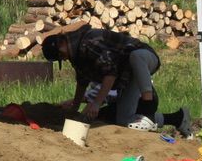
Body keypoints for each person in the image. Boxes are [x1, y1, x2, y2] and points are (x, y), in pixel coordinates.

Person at [41, 21, 192, 135]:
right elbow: (82, 82)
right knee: (124, 120)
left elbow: (110, 72)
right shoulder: (75, 54)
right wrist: (75, 108)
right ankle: (178, 118)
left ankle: (148, 106)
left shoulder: (90, 42)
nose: (64, 58)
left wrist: (96, 103)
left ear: (62, 41)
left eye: (61, 54)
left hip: (145, 59)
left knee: (136, 56)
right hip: (127, 77)